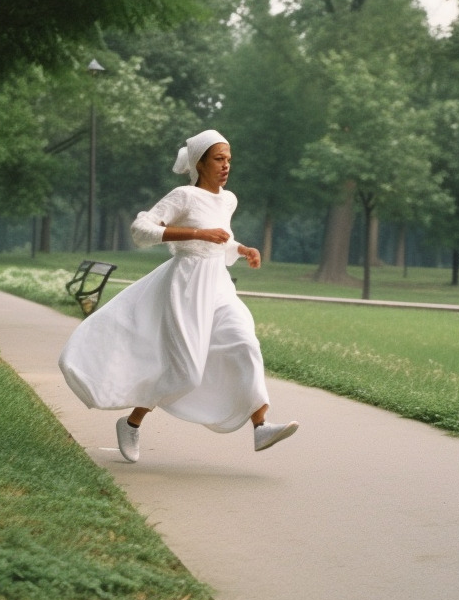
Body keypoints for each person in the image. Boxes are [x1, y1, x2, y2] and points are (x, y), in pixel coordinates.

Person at [58, 129, 299, 463]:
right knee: (185, 372)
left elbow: (220, 238)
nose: (226, 165)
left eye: (229, 159)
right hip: (185, 286)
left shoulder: (228, 199)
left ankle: (260, 427)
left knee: (245, 342)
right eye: (218, 159)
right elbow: (141, 230)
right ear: (200, 163)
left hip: (219, 285)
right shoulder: (183, 196)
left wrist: (241, 248)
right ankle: (131, 422)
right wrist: (196, 232)